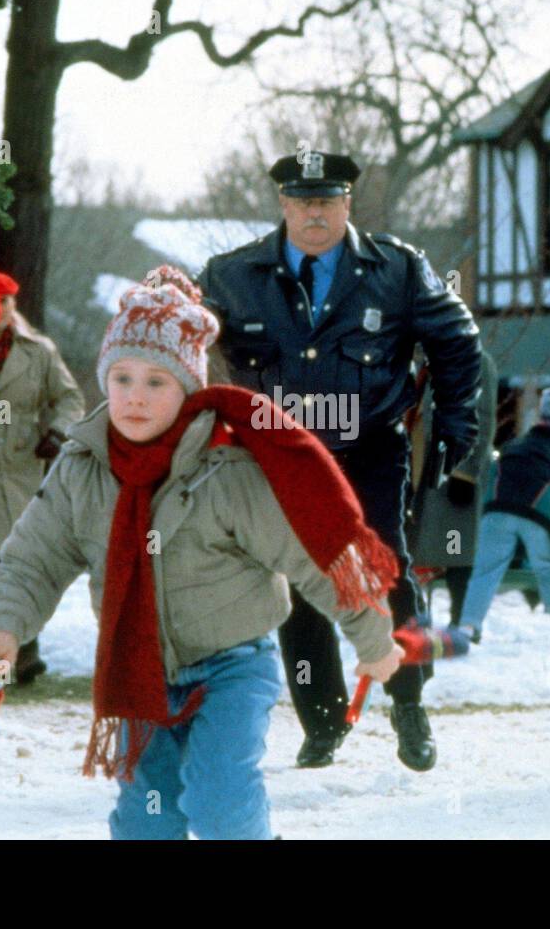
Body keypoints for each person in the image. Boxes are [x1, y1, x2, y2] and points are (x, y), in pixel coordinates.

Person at [0, 267, 401, 839]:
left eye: (156, 383)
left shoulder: (225, 467)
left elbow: (310, 555)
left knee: (219, 803)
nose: (135, 398)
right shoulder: (82, 466)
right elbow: (33, 559)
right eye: (122, 378)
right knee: (148, 816)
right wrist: (2, 626)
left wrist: (373, 638)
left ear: (188, 389)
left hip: (232, 666)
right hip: (137, 669)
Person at [197, 150, 482, 771]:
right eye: (302, 201)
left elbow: (458, 342)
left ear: (348, 202)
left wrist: (455, 421)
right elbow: (182, 344)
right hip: (280, 454)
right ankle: (322, 721)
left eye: (326, 200)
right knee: (300, 583)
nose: (314, 213)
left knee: (386, 572)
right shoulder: (230, 275)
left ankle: (408, 702)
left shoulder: (397, 270)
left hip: (369, 447)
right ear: (282, 205)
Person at [0, 270, 86, 685]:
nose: (2, 311)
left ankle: (20, 652)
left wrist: (58, 431)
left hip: (22, 463)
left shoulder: (38, 351)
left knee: (18, 553)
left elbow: (70, 397)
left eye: (7, 302)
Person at [457, 388, 550, 647]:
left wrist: (490, 515)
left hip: (497, 513)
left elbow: (489, 485)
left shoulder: (514, 446)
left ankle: (468, 628)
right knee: (549, 569)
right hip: (541, 521)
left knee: (484, 571)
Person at [408, 350, 498, 629]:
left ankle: (462, 621)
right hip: (418, 468)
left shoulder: (473, 359)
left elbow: (481, 418)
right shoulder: (423, 362)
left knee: (455, 548)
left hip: (453, 470)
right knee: (413, 549)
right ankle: (413, 617)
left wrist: (466, 471)